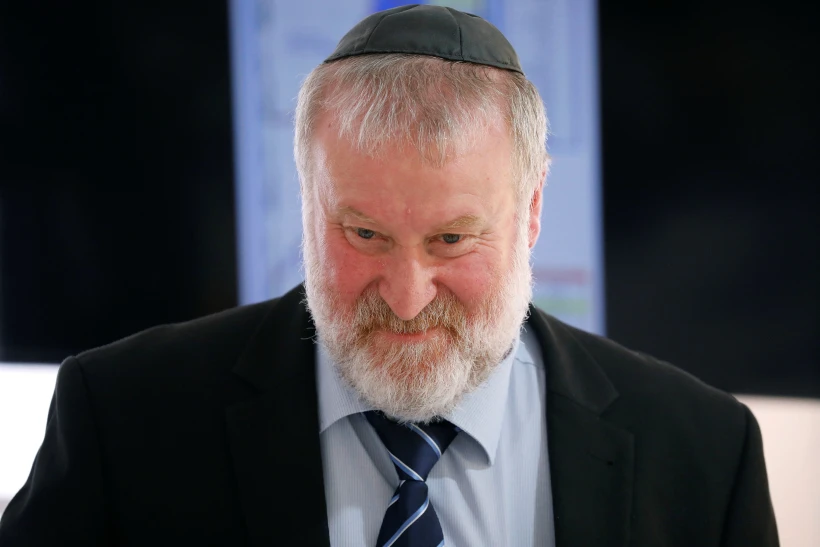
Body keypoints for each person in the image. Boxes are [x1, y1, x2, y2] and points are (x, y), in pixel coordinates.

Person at [0, 4, 778, 546]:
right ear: (308, 200)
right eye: (364, 232)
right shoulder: (123, 419)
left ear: (533, 208)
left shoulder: (705, 454)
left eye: (450, 238)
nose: (407, 296)